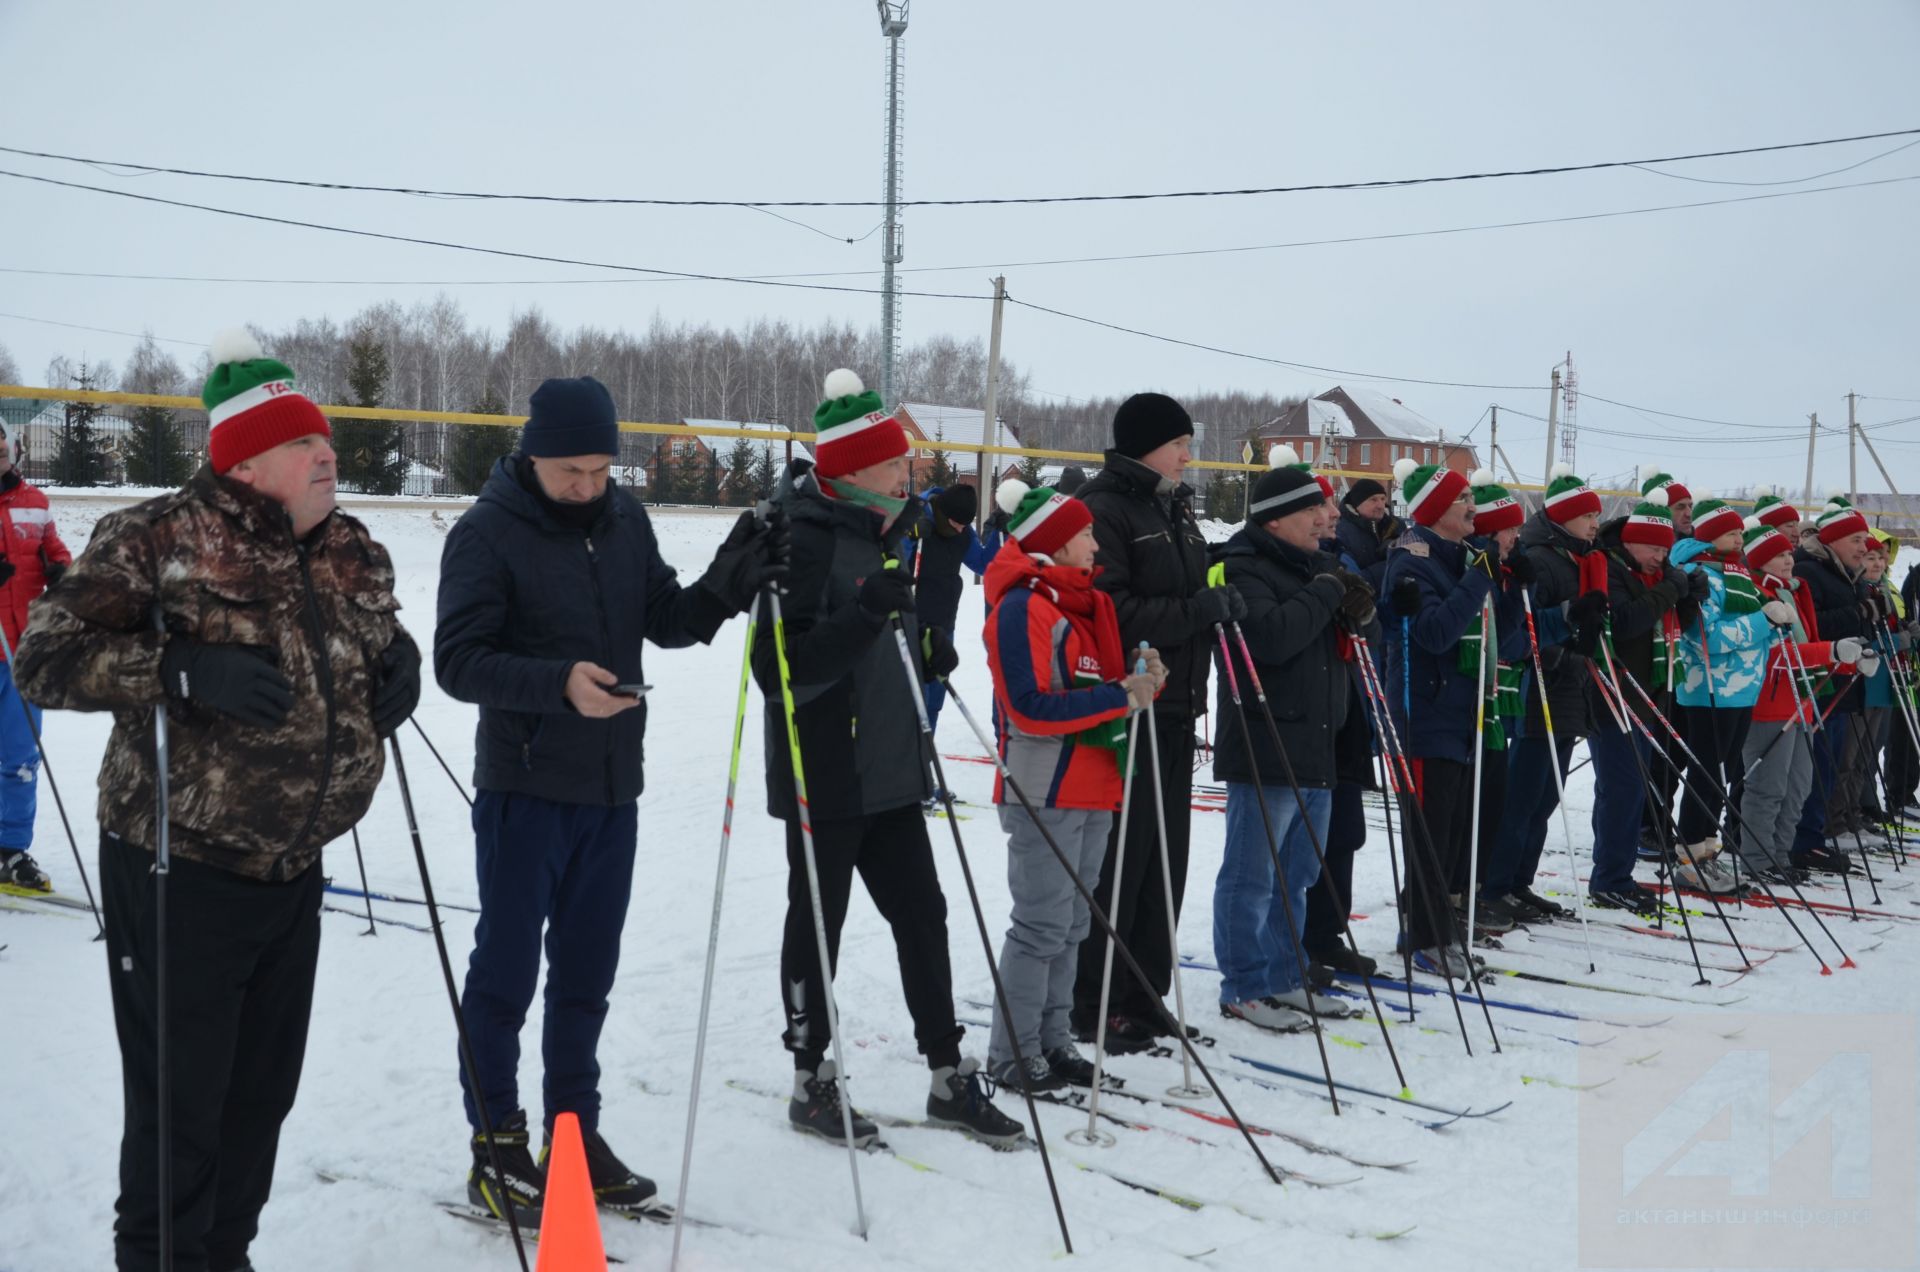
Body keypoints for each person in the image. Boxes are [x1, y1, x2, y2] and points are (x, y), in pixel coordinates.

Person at [13, 330, 420, 1272]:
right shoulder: (154, 538)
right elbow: (43, 659)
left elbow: (370, 641)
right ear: (245, 460)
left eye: (326, 441)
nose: (329, 455)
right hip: (180, 867)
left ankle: (223, 1255)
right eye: (302, 444)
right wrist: (182, 669)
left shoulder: (351, 546)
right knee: (179, 1106)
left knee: (260, 1096)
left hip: (293, 868)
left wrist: (401, 667)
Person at [434, 374, 786, 1223]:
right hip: (523, 789)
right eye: (570, 474)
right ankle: (497, 1143)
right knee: (508, 973)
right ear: (532, 458)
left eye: (600, 470)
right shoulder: (486, 534)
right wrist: (559, 685)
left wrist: (727, 584)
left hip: (610, 789)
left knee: (587, 975)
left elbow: (663, 614)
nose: (588, 489)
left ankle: (572, 1134)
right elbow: (458, 661)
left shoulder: (625, 519)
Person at [754, 370, 1024, 1148]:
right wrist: (868, 618)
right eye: (896, 461)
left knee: (924, 916)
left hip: (894, 763)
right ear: (853, 470)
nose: (911, 471)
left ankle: (947, 1075)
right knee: (819, 924)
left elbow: (884, 628)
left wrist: (919, 643)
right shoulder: (798, 536)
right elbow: (779, 671)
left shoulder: (894, 528)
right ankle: (810, 1077)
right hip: (825, 768)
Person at [1069, 392, 1239, 1053]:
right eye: (1179, 444)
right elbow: (1114, 611)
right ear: (1146, 446)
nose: (1188, 454)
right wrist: (1200, 611)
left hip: (1176, 704)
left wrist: (1218, 605)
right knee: (1123, 859)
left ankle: (1144, 996)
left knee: (1165, 860)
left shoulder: (1173, 507)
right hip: (1129, 706)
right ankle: (1097, 1000)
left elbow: (1183, 589)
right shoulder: (1105, 508)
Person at [980, 479, 1159, 1091]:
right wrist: (1117, 696)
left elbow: (1096, 689)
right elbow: (1029, 706)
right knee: (1039, 927)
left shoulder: (1084, 604)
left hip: (1095, 784)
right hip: (1045, 789)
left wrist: (1137, 678)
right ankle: (1012, 1051)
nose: (1094, 541)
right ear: (1053, 544)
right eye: (1083, 532)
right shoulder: (1022, 607)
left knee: (1075, 927)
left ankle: (1052, 1043)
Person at [1212, 455, 1375, 1030]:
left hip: (1318, 745)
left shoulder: (1314, 565)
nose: (1326, 517)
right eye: (1313, 509)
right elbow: (1270, 639)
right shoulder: (1242, 566)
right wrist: (1328, 591)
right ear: (1277, 519)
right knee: (1252, 876)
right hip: (1267, 742)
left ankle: (1286, 975)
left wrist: (1358, 608)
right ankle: (1245, 984)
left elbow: (1350, 636)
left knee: (1299, 875)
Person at [1381, 459, 1524, 975]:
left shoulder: (1461, 556)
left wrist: (1508, 587)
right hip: (1425, 717)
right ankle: (1424, 938)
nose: (1473, 508)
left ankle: (1439, 931)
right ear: (1437, 510)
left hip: (1463, 715)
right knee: (1429, 835)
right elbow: (1435, 633)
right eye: (1463, 500)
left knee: (1453, 836)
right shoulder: (1412, 560)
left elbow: (1501, 641)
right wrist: (1477, 579)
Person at [1487, 466, 1621, 910]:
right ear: (1564, 517)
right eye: (1587, 516)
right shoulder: (1542, 557)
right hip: (1537, 689)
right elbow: (1521, 631)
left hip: (1569, 687)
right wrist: (1566, 633)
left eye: (1596, 515)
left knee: (1546, 795)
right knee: (1523, 796)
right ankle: (1498, 884)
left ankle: (1520, 881)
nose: (1594, 524)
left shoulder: (1580, 557)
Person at [1585, 490, 1702, 904]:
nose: (1660, 556)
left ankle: (1616, 874)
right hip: (1613, 693)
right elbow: (1628, 622)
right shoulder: (1611, 567)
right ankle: (1609, 879)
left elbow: (1671, 626)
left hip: (1646, 692)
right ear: (1632, 542)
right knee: (1621, 788)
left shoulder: (1653, 572)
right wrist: (1672, 588)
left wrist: (1690, 597)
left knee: (1634, 788)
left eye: (1666, 549)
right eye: (1654, 547)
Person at [1463, 471, 1566, 926]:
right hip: (1479, 699)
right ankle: (1481, 889)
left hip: (1509, 696)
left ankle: (1502, 885)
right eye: (1507, 528)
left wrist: (1565, 620)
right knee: (1490, 805)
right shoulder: (1476, 568)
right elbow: (1500, 640)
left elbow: (1524, 633)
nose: (1515, 535)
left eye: (1516, 527)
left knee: (1521, 798)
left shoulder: (1513, 567)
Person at [1738, 521, 1864, 881]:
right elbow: (1778, 653)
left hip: (1801, 702)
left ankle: (1780, 854)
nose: (1788, 559)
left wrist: (1845, 658)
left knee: (1797, 788)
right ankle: (1758, 860)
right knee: (1769, 788)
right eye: (1778, 555)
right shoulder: (1758, 595)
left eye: (1787, 553)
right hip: (1770, 703)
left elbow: (1803, 648)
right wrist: (1831, 649)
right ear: (1760, 561)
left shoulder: (1792, 592)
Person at [1667, 495, 1769, 893]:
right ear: (1710, 535)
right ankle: (1690, 856)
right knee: (1706, 773)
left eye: (1741, 532)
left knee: (1721, 776)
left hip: (1741, 691)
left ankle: (1707, 852)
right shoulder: (1699, 573)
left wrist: (1773, 627)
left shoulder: (1735, 572)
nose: (1739, 539)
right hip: (1709, 689)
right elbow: (1706, 635)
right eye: (1730, 532)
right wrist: (1764, 620)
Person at [0, 417, 72, 892]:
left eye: (0, 442)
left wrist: (62, 571)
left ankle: (9, 851)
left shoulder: (34, 502)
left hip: (21, 655)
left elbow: (55, 551)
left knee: (20, 758)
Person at [1790, 499, 1877, 871]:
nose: (1863, 548)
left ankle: (1816, 834)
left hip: (1844, 682)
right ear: (1836, 540)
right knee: (1816, 765)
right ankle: (1804, 838)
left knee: (1831, 765)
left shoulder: (1847, 574)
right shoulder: (1811, 570)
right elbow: (1813, 626)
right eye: (1857, 539)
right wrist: (1856, 614)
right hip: (1820, 682)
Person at [899, 480, 995, 754]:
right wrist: (909, 534)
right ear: (944, 513)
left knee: (934, 701)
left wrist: (1000, 531)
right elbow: (890, 562)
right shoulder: (916, 517)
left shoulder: (961, 531)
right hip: (912, 624)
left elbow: (983, 564)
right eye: (957, 524)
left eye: (966, 525)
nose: (961, 530)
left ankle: (925, 771)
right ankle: (906, 774)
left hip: (944, 626)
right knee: (915, 701)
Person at [1334, 476, 1392, 590]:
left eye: (1383, 499)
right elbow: (1352, 582)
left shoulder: (1396, 525)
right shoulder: (1341, 534)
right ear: (1357, 504)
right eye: (1373, 500)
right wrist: (1392, 565)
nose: (1381, 505)